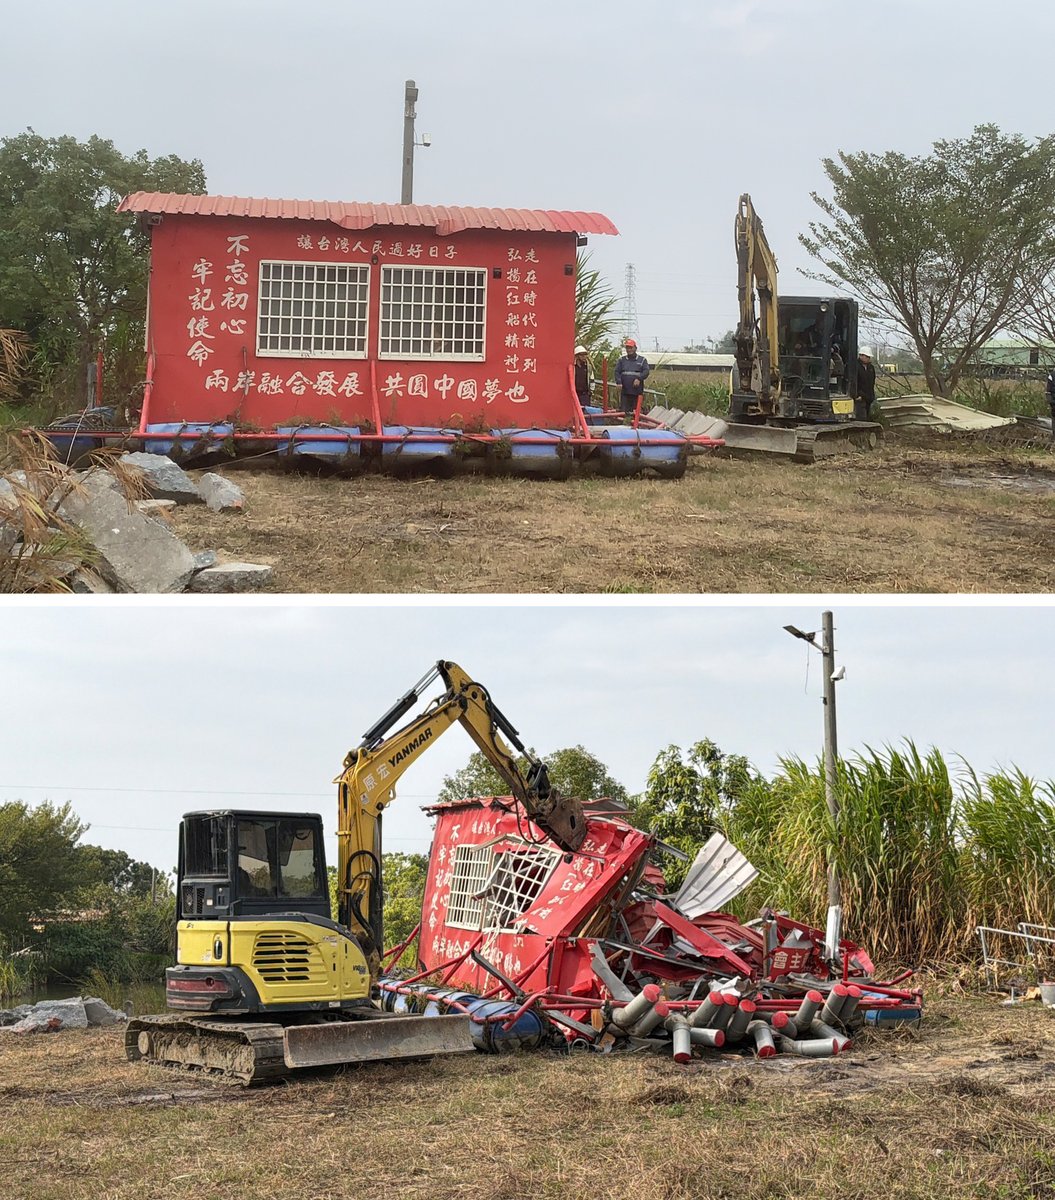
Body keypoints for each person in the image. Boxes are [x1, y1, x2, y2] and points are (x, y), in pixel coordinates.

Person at [615, 338, 650, 417]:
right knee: (623, 413)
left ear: (635, 348)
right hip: (625, 392)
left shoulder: (642, 360)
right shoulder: (622, 360)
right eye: (627, 348)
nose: (629, 350)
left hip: (636, 392)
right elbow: (617, 372)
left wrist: (639, 378)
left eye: (631, 347)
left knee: (635, 413)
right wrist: (619, 382)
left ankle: (635, 427)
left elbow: (646, 371)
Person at [854, 345, 877, 421]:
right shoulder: (855, 367)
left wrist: (871, 396)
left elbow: (872, 382)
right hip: (859, 398)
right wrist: (858, 394)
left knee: (867, 417)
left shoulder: (871, 368)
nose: (868, 358)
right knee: (861, 418)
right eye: (867, 356)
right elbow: (854, 382)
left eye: (869, 357)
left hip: (868, 397)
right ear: (861, 356)